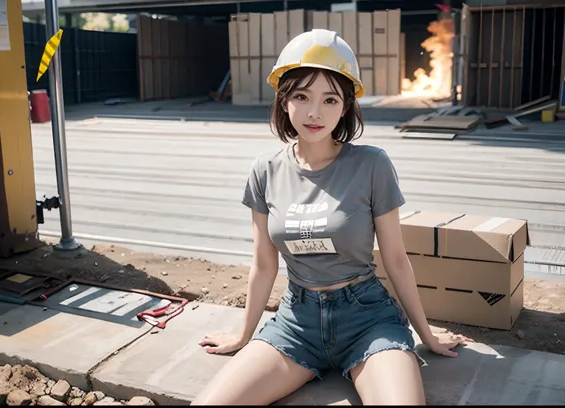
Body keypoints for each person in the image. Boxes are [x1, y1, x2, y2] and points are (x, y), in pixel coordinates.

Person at [191, 29, 472, 405]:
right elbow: (262, 263)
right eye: (302, 96)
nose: (314, 112)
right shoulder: (265, 170)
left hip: (367, 321)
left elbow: (396, 259)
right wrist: (243, 335)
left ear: (345, 107)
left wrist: (426, 335)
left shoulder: (372, 164)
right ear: (284, 100)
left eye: (329, 99)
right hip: (297, 323)